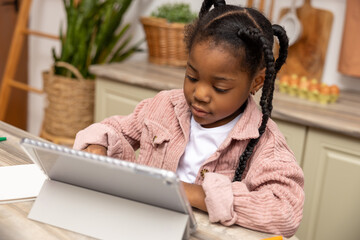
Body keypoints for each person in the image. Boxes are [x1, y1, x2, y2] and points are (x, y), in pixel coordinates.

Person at [73, 0, 304, 237]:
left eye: (220, 87)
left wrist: (193, 193)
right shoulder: (164, 106)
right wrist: (97, 146)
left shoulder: (265, 143)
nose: (200, 94)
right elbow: (116, 129)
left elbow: (285, 211)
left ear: (256, 82)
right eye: (192, 77)